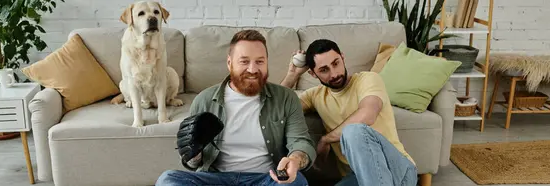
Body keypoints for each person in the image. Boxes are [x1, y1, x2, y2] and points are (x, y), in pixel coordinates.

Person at [156, 29, 316, 186]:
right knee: (168, 180)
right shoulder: (204, 100)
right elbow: (193, 164)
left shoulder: (286, 98)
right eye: (244, 61)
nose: (253, 69)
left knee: (296, 182)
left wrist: (294, 160)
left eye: (260, 61)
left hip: (266, 179)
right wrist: (194, 154)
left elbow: (300, 142)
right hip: (215, 178)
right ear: (229, 63)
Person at [280, 39, 418, 186]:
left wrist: (326, 139)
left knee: (353, 131)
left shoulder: (368, 79)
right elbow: (276, 111)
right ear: (313, 74)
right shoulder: (315, 96)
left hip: (398, 171)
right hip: (359, 178)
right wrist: (292, 75)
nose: (334, 74)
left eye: (336, 63)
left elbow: (368, 114)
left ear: (343, 58)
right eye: (324, 70)